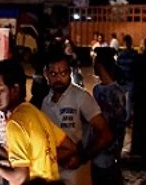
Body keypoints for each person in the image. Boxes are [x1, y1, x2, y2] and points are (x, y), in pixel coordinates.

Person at [0, 59, 77, 185]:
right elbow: (70, 147)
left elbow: (19, 178)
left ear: (14, 89)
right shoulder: (35, 112)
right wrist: (44, 161)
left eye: (0, 90)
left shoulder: (15, 123)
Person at [41, 51, 113, 185]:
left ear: (70, 72)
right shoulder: (45, 101)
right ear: (46, 74)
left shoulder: (81, 98)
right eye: (53, 74)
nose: (58, 78)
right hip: (52, 173)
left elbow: (106, 134)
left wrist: (82, 157)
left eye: (63, 73)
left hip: (75, 174)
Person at [91, 48, 128, 185]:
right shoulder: (97, 89)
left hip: (107, 152)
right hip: (99, 149)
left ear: (100, 65)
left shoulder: (116, 92)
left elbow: (118, 125)